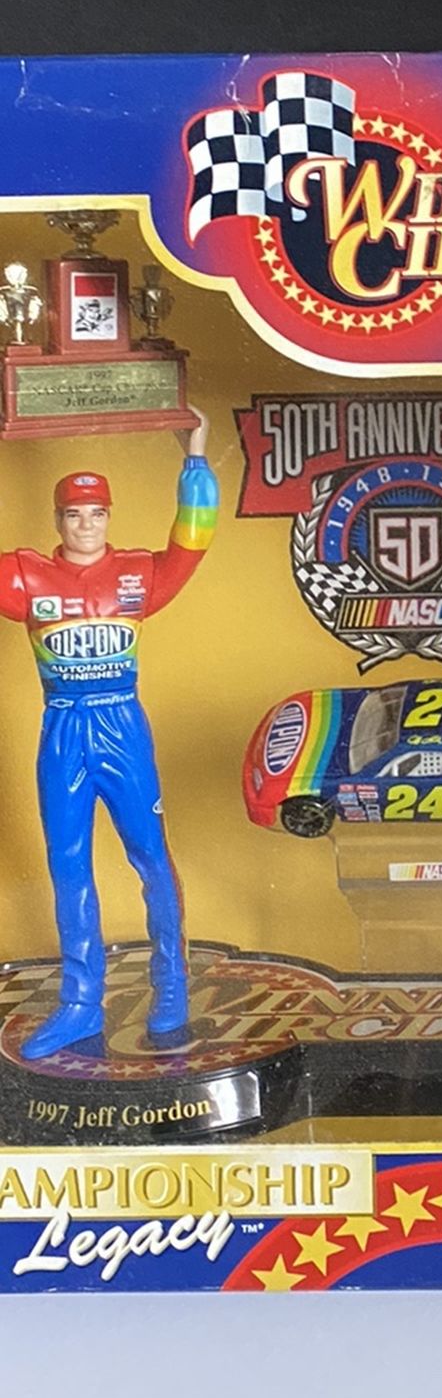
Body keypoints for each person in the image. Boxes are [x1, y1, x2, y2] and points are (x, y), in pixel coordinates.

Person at [0, 415, 218, 1059]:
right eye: (74, 514)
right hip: (63, 728)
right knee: (68, 865)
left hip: (122, 725)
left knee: (150, 855)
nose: (86, 525)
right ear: (58, 519)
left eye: (96, 513)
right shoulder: (27, 575)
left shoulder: (137, 574)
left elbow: (194, 539)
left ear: (109, 516)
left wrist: (195, 458)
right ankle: (78, 1004)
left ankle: (171, 986)